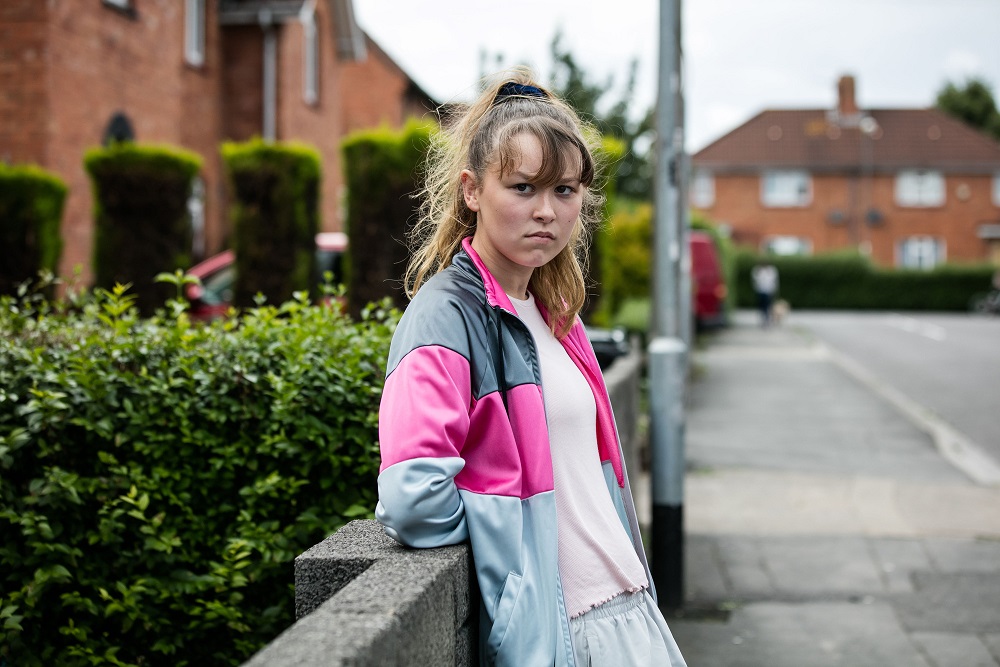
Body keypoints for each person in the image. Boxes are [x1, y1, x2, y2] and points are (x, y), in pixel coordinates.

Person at [375, 70, 688, 667]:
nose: (546, 211)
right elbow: (414, 495)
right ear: (472, 190)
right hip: (562, 632)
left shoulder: (556, 315)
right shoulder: (446, 313)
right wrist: (514, 565)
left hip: (629, 609)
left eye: (565, 191)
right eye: (522, 188)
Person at [751, 261, 779, 327]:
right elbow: (755, 278)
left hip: (768, 291)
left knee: (768, 306)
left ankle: (767, 319)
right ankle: (764, 319)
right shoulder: (759, 271)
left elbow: (774, 281)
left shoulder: (771, 271)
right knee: (762, 306)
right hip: (761, 291)